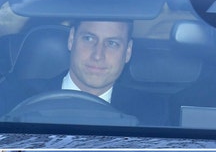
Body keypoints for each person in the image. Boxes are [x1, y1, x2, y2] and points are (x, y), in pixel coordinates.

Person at [1, 20, 167, 125]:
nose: (97, 55)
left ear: (128, 51)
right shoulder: (12, 98)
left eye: (112, 43)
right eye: (89, 39)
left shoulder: (153, 114)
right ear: (71, 39)